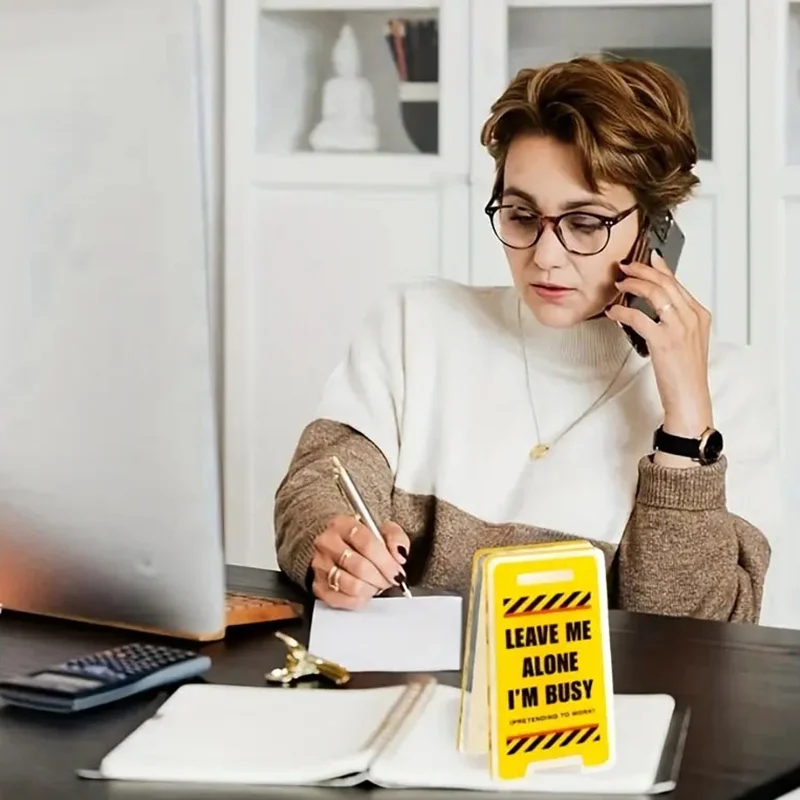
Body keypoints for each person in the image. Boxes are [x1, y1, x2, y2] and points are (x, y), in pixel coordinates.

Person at [274, 56, 781, 624]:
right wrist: (335, 544)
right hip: (401, 691)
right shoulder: (415, 323)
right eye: (520, 215)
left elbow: (695, 633)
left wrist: (686, 426)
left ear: (656, 228)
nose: (544, 257)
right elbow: (316, 490)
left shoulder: (731, 391)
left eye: (585, 223)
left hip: (603, 711)